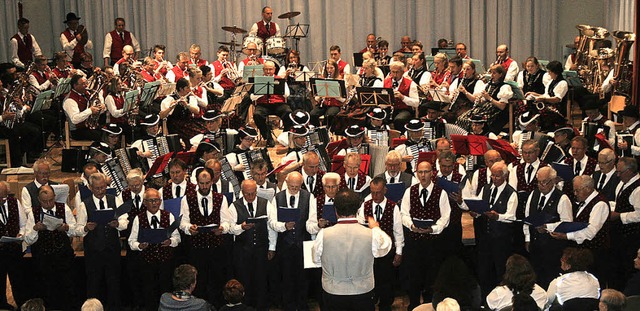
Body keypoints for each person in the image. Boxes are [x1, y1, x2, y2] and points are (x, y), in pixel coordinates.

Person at [312, 189, 392, 311]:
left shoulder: (323, 235)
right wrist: (376, 228)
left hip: (334, 291)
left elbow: (316, 260)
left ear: (336, 211)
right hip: (363, 291)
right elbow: (385, 247)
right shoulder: (371, 234)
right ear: (358, 210)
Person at [400, 160, 451, 310]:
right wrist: (411, 225)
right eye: (420, 172)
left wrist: (433, 229)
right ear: (416, 173)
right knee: (413, 275)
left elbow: (445, 217)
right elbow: (404, 213)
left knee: (432, 276)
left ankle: (430, 305)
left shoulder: (441, 193)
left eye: (426, 172)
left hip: (433, 243)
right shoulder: (410, 191)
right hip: (414, 241)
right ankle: (414, 303)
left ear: (432, 173)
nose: (423, 175)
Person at [179, 167, 232, 308]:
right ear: (196, 182)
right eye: (201, 183)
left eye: (207, 183)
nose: (204, 186)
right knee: (199, 283)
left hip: (216, 247)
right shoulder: (187, 198)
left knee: (217, 281)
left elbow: (227, 221)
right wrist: (189, 229)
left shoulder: (221, 198)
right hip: (197, 248)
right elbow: (183, 222)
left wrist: (222, 228)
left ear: (212, 182)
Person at [463, 161, 518, 296]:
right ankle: (484, 298)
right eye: (492, 175)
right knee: (483, 270)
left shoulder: (511, 193)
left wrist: (497, 216)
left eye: (497, 176)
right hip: (485, 238)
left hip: (501, 239)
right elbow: (480, 204)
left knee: (500, 270)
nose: (494, 178)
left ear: (505, 176)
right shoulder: (486, 188)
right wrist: (475, 212)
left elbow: (511, 216)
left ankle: (502, 298)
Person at [76, 172, 128, 311]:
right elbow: (78, 229)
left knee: (114, 283)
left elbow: (125, 220)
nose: (100, 191)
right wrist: (87, 227)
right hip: (93, 252)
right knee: (94, 284)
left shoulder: (114, 200)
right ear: (91, 188)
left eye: (103, 187)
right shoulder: (84, 205)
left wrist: (118, 224)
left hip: (112, 249)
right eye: (97, 188)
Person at [269, 171, 319, 311]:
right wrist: (283, 226)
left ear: (301, 185)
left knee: (303, 279)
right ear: (286, 183)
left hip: (303, 243)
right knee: (286, 279)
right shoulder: (278, 198)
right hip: (284, 245)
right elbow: (272, 222)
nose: (294, 190)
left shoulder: (309, 197)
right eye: (291, 186)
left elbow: (311, 220)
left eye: (297, 187)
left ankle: (302, 306)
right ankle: (288, 306)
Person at [549, 175, 611, 285]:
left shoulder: (600, 204)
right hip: (584, 254)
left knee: (592, 285)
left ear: (587, 189)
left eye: (577, 190)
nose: (575, 193)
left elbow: (590, 232)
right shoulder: (584, 202)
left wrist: (565, 236)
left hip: (595, 254)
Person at [128, 188, 181, 310]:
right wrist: (139, 246)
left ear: (160, 201)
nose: (154, 203)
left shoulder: (169, 216)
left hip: (165, 263)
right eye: (151, 200)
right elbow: (131, 241)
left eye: (156, 200)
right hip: (147, 263)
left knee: (166, 291)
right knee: (149, 293)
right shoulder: (139, 218)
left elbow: (177, 238)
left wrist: (170, 242)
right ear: (145, 202)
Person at [228, 179, 276, 310]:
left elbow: (271, 226)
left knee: (261, 282)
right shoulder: (234, 206)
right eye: (247, 194)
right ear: (242, 192)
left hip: (261, 250)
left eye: (253, 193)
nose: (250, 196)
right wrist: (241, 227)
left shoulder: (265, 203)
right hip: (242, 251)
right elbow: (230, 228)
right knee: (244, 281)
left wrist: (272, 247)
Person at [357, 177, 403, 311]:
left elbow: (398, 232)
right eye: (372, 192)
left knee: (386, 282)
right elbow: (359, 227)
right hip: (369, 253)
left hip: (387, 253)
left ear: (385, 190)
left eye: (378, 192)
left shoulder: (393, 207)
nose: (375, 196)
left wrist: (399, 252)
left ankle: (386, 305)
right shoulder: (365, 206)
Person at [523, 166, 573, 288]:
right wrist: (527, 238)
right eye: (539, 182)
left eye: (544, 182)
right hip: (536, 246)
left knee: (551, 278)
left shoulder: (562, 198)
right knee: (536, 277)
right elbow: (527, 217)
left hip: (553, 248)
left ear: (553, 181)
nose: (541, 185)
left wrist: (548, 227)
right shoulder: (533, 195)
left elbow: (567, 223)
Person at [609, 157, 640, 290]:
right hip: (619, 235)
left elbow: (639, 215)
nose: (617, 174)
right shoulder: (622, 183)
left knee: (627, 268)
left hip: (631, 236)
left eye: (620, 172)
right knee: (617, 267)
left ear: (630, 171)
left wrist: (619, 216)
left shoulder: (638, 189)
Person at [249, 61, 291, 147]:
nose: (268, 72)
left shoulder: (280, 79)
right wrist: (261, 92)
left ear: (274, 69)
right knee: (257, 115)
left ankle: (284, 136)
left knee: (288, 112)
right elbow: (251, 97)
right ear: (263, 70)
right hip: (263, 104)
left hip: (278, 104)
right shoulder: (258, 80)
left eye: (270, 69)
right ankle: (268, 137)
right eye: (266, 69)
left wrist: (279, 90)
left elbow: (287, 94)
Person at [0, 181, 27, 309]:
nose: (1, 200)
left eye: (4, 197)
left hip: (13, 249)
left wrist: (20, 235)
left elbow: (23, 224)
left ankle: (22, 304)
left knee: (18, 280)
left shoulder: (14, 203)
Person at [63, 74, 106, 141]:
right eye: (83, 84)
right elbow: (75, 119)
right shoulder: (70, 100)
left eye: (86, 83)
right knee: (104, 136)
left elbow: (95, 105)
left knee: (110, 131)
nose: (86, 86)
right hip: (78, 131)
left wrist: (101, 107)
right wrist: (90, 111)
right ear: (75, 86)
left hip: (89, 126)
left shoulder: (86, 94)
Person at [160, 77, 202, 145]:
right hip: (176, 126)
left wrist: (187, 105)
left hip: (188, 123)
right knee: (194, 135)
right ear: (181, 89)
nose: (190, 90)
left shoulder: (190, 97)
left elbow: (197, 111)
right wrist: (171, 107)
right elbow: (162, 116)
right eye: (187, 88)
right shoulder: (170, 99)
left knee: (203, 132)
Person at [384, 61, 420, 130]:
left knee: (399, 120)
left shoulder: (410, 83)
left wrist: (403, 97)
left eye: (397, 72)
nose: (394, 75)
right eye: (392, 72)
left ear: (402, 72)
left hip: (404, 109)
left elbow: (416, 103)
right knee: (377, 116)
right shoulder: (386, 81)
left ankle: (400, 138)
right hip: (389, 109)